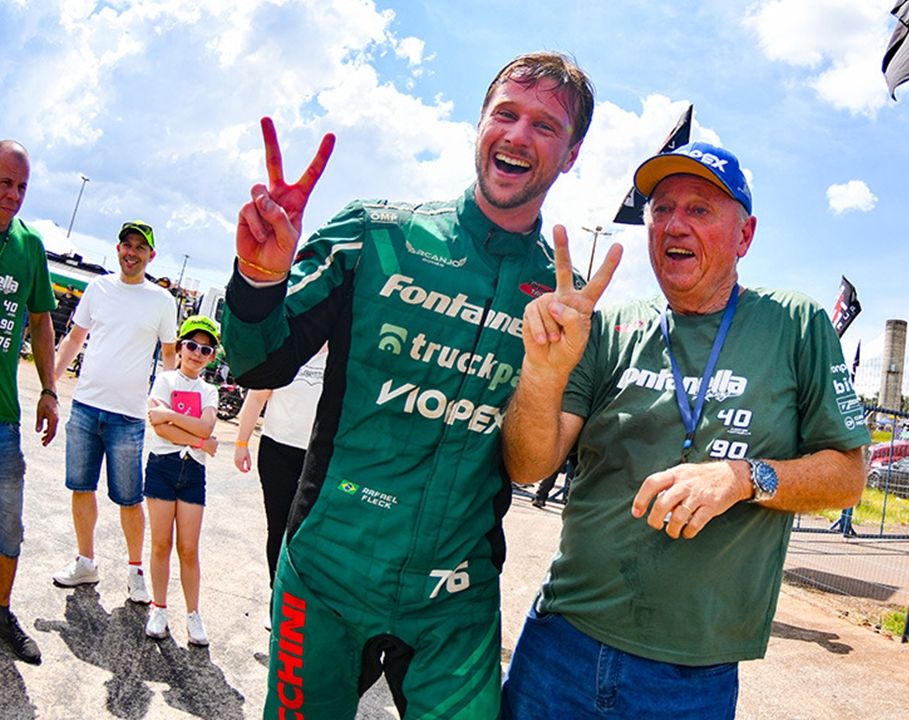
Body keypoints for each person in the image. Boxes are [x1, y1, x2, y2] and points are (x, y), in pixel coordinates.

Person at [222, 51, 614, 719]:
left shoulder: (565, 307)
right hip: (326, 571)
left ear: (571, 154)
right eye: (506, 114)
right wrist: (259, 281)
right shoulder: (377, 235)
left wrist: (549, 373)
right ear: (480, 125)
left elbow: (530, 464)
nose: (519, 136)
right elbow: (262, 364)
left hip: (454, 601)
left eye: (545, 126)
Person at [501, 141, 872, 718]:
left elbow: (848, 478)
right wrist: (543, 374)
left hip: (689, 677)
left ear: (744, 236)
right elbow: (529, 467)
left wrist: (742, 478)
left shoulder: (795, 325)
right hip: (560, 646)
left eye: (700, 209)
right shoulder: (609, 328)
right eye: (662, 208)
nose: (674, 223)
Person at [51, 220, 177, 605]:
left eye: (140, 247)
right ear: (118, 248)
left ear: (150, 255)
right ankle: (86, 561)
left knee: (128, 498)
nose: (132, 252)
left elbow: (170, 356)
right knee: (81, 487)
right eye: (126, 244)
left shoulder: (161, 301)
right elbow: (75, 338)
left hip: (128, 416)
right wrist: (48, 384)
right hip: (86, 407)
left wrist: (169, 406)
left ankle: (135, 570)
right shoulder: (98, 288)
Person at [0, 139, 59, 665]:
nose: (14, 195)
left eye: (21, 187)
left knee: (8, 524)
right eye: (5, 182)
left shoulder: (30, 246)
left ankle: (0, 611)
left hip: (3, 417)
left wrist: (48, 388)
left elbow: (40, 322)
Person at [232, 344, 327, 628]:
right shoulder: (288, 349)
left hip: (316, 455)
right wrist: (241, 442)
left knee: (305, 532)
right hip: (277, 450)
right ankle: (278, 597)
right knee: (279, 527)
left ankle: (301, 601)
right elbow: (256, 397)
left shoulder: (342, 355)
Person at [141, 314, 221, 645]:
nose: (196, 353)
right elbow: (158, 428)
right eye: (191, 345)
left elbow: (205, 427)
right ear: (180, 347)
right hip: (161, 466)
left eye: (205, 349)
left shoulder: (210, 391)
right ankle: (159, 608)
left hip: (193, 474)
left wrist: (173, 418)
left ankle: (193, 614)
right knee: (161, 543)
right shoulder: (164, 381)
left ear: (212, 357)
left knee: (189, 548)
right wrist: (201, 442)